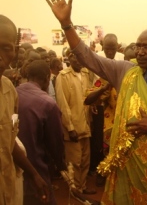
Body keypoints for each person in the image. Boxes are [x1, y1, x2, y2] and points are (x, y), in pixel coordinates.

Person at [45, 0, 147, 204]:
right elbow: (88, 58)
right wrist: (66, 25)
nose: (141, 51)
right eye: (138, 46)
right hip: (124, 161)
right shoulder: (124, 71)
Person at [0, 14, 49, 205]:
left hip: (7, 188)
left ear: (15, 51)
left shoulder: (10, 91)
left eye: (5, 48)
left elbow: (10, 137)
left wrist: (34, 174)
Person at [16, 60, 67, 205]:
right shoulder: (48, 104)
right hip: (36, 169)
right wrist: (61, 164)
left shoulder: (13, 93)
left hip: (14, 167)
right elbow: (56, 144)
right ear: (47, 77)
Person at [55, 48, 95, 195]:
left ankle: (82, 186)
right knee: (74, 161)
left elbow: (89, 97)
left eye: (80, 57)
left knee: (85, 160)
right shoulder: (63, 76)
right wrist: (70, 128)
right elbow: (62, 104)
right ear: (69, 59)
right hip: (73, 127)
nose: (78, 61)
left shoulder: (85, 74)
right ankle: (75, 189)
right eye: (74, 57)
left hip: (86, 125)